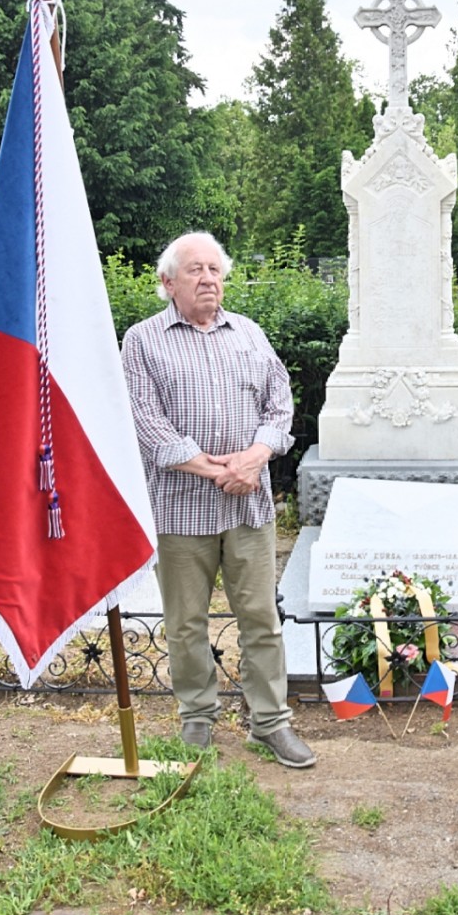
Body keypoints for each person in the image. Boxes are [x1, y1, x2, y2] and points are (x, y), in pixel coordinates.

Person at [121, 231, 316, 768]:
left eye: (215, 269)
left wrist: (253, 459)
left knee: (259, 617)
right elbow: (146, 423)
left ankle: (270, 723)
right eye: (195, 270)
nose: (208, 279)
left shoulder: (250, 335)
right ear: (167, 282)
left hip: (247, 506)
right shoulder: (142, 340)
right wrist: (216, 469)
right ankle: (197, 719)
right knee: (186, 622)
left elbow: (281, 408)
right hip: (181, 510)